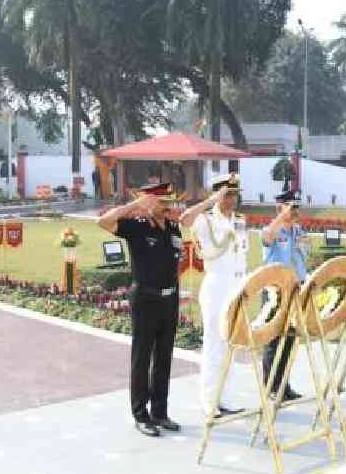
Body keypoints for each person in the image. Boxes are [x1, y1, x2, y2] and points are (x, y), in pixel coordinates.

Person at [97, 182, 183, 437]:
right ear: (149, 202)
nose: (167, 206)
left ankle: (160, 412)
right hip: (145, 299)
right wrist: (134, 205)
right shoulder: (136, 226)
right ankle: (141, 414)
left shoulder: (173, 227)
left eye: (169, 202)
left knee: (164, 357)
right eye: (161, 201)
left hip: (169, 299)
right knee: (142, 357)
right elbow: (103, 222)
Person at [180, 173, 247, 419]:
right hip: (217, 285)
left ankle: (225, 397)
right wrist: (210, 201)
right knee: (213, 344)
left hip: (237, 285)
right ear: (217, 194)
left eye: (234, 194)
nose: (231, 199)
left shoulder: (240, 220)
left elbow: (241, 255)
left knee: (230, 343)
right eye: (226, 194)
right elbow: (184, 219)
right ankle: (209, 400)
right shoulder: (205, 219)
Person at [261, 190, 308, 401]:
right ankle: (271, 386)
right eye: (291, 207)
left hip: (296, 288)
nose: (295, 211)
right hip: (275, 291)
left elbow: (305, 252)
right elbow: (267, 237)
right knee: (273, 339)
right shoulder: (272, 229)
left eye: (296, 207)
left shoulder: (298, 231)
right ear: (280, 207)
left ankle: (284, 385)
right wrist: (281, 216)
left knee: (289, 339)